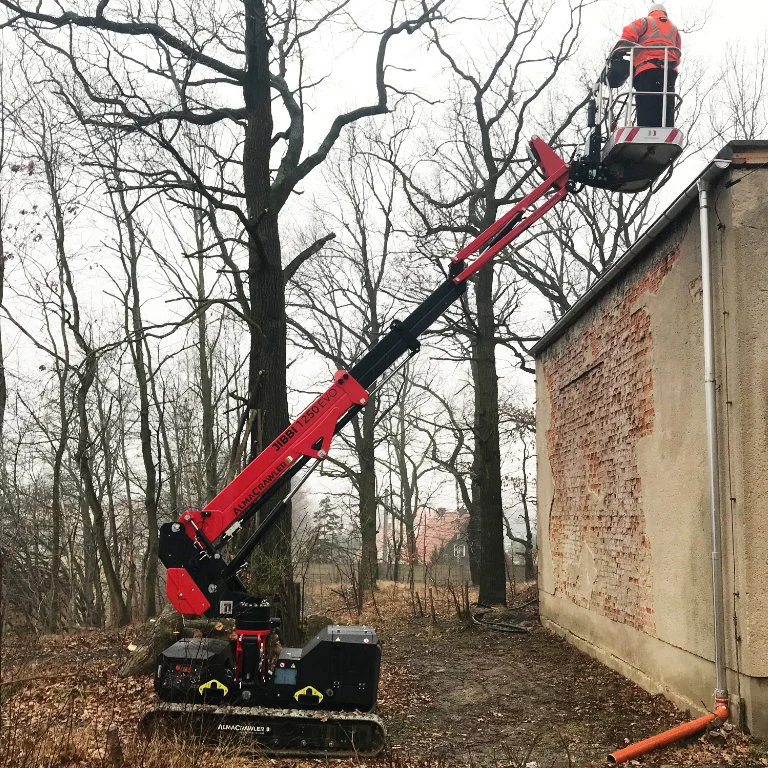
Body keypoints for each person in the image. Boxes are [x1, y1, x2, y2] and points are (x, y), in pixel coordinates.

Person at [614, 4, 681, 127]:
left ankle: (646, 131)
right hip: (669, 71)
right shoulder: (674, 29)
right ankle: (667, 128)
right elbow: (677, 53)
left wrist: (619, 52)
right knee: (666, 103)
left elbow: (627, 35)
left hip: (646, 69)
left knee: (646, 103)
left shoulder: (645, 22)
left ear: (651, 12)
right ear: (664, 13)